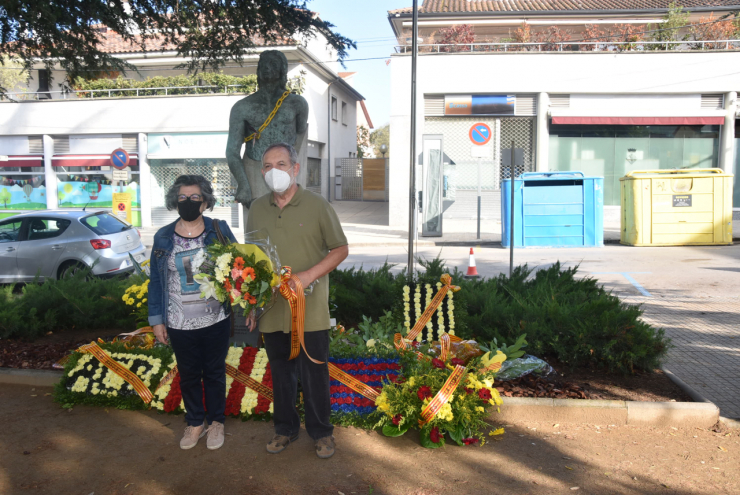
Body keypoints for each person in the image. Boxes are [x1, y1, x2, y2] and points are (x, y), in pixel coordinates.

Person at [244, 142, 348, 459]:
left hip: (310, 312)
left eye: (280, 164)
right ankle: (285, 429)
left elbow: (340, 249)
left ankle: (321, 433)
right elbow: (251, 263)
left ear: (295, 168)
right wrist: (251, 304)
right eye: (267, 166)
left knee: (314, 374)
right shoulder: (257, 209)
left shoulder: (317, 205)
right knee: (281, 373)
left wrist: (307, 275)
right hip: (272, 312)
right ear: (261, 172)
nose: (273, 171)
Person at [148, 174, 237, 451]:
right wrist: (157, 321)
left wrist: (248, 302)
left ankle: (216, 422)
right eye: (183, 197)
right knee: (188, 374)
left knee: (213, 372)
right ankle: (195, 422)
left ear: (206, 201)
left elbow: (239, 269)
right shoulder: (163, 236)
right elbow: (156, 281)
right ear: (175, 201)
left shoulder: (218, 230)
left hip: (215, 319)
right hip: (178, 322)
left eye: (195, 197)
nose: (188, 202)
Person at [225, 50, 309, 212]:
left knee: (291, 218)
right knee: (257, 225)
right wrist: (243, 184)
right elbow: (232, 151)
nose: (267, 68)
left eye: (273, 64)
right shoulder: (242, 107)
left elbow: (301, 132)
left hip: (287, 168)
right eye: (263, 64)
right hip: (254, 167)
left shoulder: (297, 103)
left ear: (282, 70)